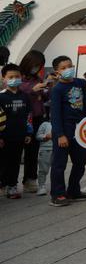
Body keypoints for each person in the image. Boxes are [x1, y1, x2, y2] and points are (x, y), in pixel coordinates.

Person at [48, 56, 86, 206]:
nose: (68, 69)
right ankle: (57, 194)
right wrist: (60, 135)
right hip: (64, 129)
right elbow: (55, 114)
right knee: (60, 164)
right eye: (64, 68)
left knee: (80, 161)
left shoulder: (80, 83)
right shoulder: (57, 89)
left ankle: (73, 190)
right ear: (57, 72)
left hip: (80, 129)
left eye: (70, 66)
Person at [16, 50, 47, 194]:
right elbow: (16, 93)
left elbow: (43, 97)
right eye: (35, 64)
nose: (37, 68)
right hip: (20, 118)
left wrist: (47, 89)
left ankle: (30, 179)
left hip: (36, 117)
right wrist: (32, 90)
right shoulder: (17, 77)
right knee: (14, 151)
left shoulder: (37, 79)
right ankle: (8, 181)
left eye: (39, 65)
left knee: (33, 151)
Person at [1, 64, 33, 199]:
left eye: (17, 76)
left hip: (20, 136)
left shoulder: (25, 97)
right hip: (4, 137)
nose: (14, 79)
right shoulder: (1, 97)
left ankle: (12, 186)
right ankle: (3, 184)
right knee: (3, 162)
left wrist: (28, 133)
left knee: (15, 162)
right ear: (4, 78)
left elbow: (29, 116)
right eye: (11, 77)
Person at [35, 118, 52, 195]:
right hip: (46, 149)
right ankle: (41, 186)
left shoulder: (63, 123)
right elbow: (38, 136)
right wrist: (45, 136)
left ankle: (56, 185)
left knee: (58, 169)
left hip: (58, 149)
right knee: (43, 170)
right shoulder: (45, 124)